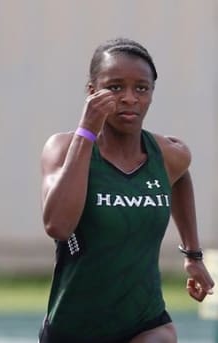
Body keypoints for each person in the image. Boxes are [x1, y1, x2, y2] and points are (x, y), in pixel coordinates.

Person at [38, 37, 214, 343]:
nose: (129, 98)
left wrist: (193, 254)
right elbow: (58, 225)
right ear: (92, 92)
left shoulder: (168, 154)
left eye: (141, 88)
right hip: (73, 328)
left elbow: (181, 177)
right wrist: (86, 132)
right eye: (115, 87)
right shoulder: (64, 148)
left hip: (145, 321)